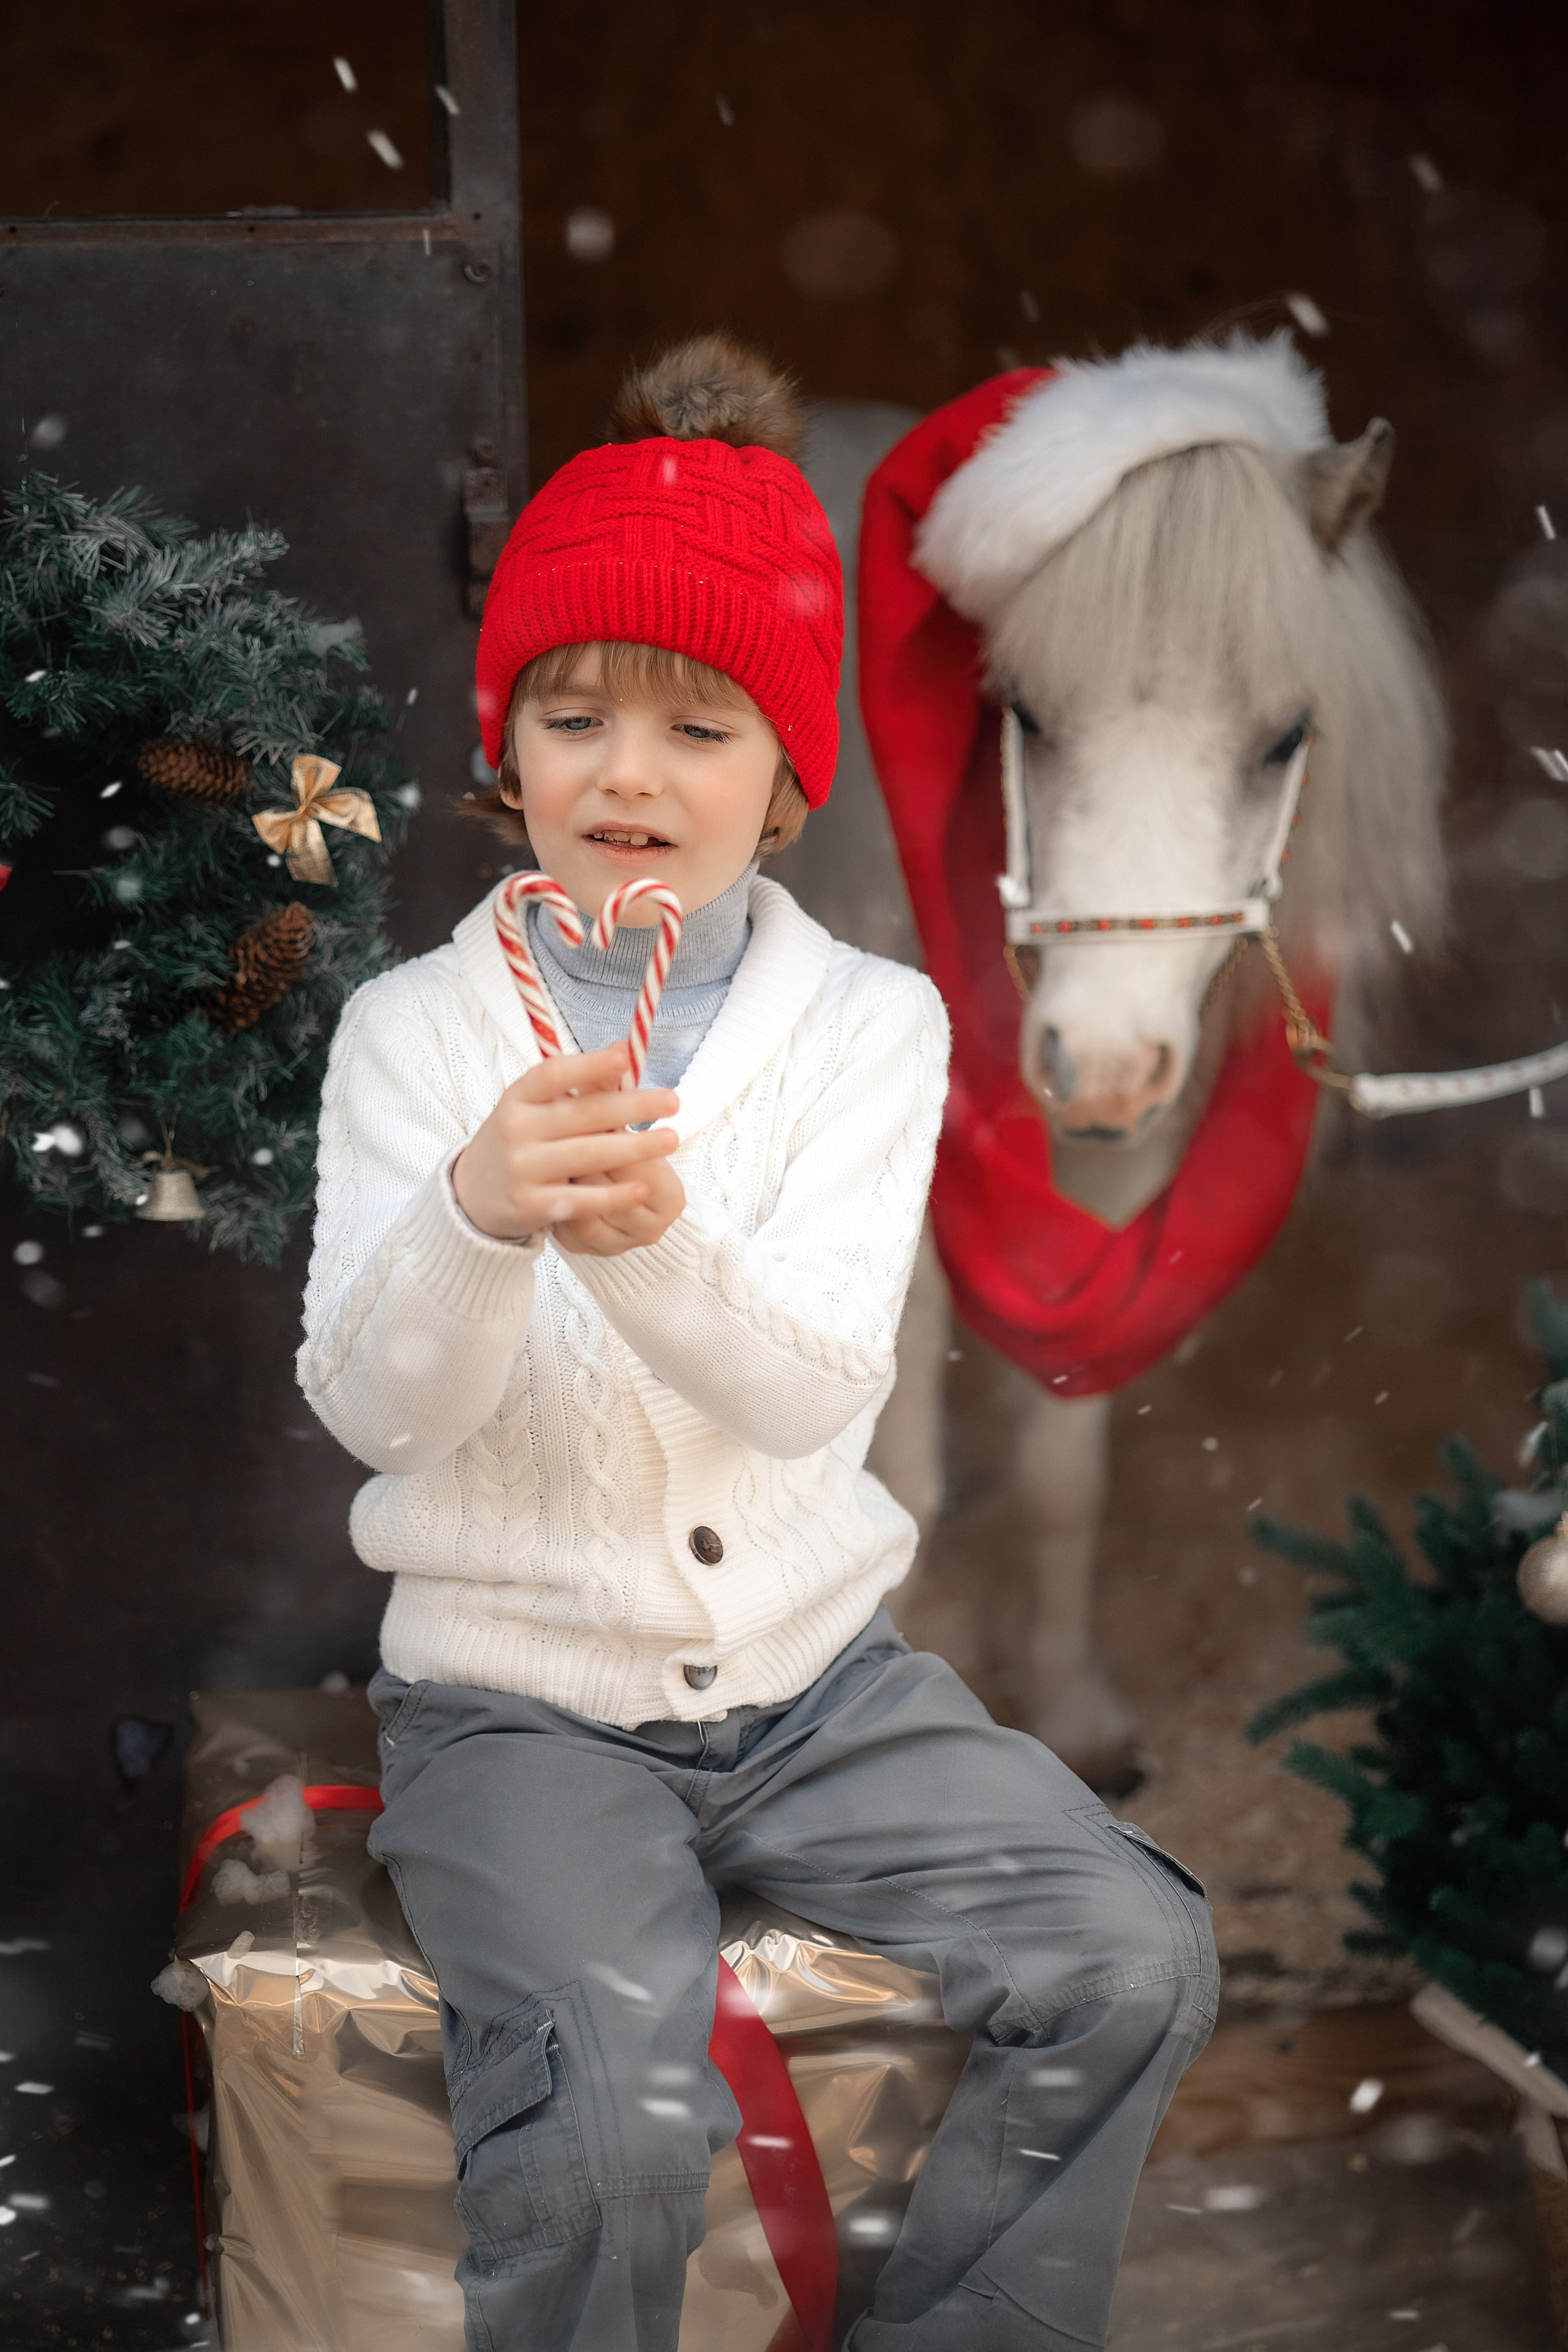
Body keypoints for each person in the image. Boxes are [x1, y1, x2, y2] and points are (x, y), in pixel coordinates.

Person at [298, 335, 1217, 2352]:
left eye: (698, 728)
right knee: (617, 2112)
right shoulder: (416, 1037)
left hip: (821, 1692)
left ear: (790, 785)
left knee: (1129, 1949)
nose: (629, 772)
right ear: (506, 756)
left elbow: (810, 1388)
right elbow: (376, 1410)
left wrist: (644, 1248)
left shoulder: (871, 1029)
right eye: (574, 717)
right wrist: (473, 1218)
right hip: (518, 1711)